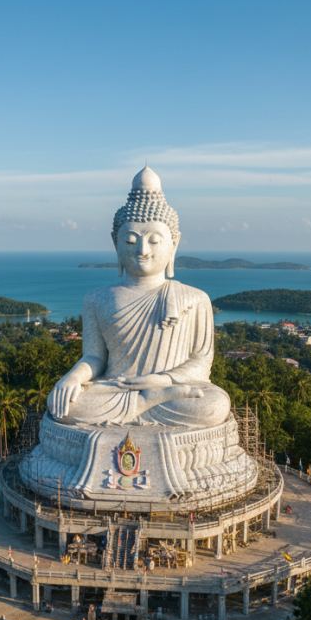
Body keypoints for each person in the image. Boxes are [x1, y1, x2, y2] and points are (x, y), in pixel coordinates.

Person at [47, 168, 231, 428]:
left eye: (155, 241)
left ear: (174, 243)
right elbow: (95, 358)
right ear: (116, 243)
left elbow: (200, 366)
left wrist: (157, 382)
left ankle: (148, 401)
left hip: (170, 390)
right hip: (117, 389)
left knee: (214, 404)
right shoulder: (97, 299)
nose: (143, 251)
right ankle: (145, 404)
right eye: (131, 241)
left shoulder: (195, 299)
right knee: (66, 405)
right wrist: (72, 378)